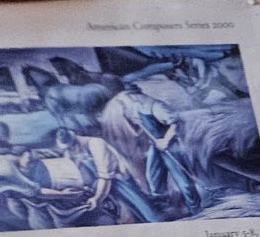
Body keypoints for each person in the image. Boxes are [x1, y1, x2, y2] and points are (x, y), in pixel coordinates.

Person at [104, 81, 202, 215]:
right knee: (153, 176)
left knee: (182, 178)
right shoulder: (136, 106)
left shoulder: (156, 106)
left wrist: (166, 141)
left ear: (136, 93)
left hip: (170, 145)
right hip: (155, 145)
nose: (126, 99)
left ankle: (194, 207)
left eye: (128, 96)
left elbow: (176, 124)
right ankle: (168, 205)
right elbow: (141, 127)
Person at [50, 127, 159, 225]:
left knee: (141, 208)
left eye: (71, 147)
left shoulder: (96, 144)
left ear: (76, 141)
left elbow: (106, 176)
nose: (69, 151)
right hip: (99, 185)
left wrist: (97, 198)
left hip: (118, 180)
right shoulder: (70, 151)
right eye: (67, 149)